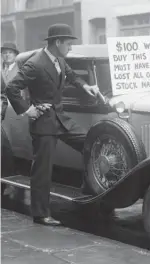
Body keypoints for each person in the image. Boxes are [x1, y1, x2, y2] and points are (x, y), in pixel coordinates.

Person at [6, 24, 100, 226]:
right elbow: (12, 87)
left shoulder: (59, 59)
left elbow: (72, 77)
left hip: (61, 119)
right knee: (42, 170)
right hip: (43, 123)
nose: (70, 48)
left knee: (91, 144)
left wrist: (87, 86)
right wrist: (27, 110)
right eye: (68, 43)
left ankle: (88, 190)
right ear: (57, 43)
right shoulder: (35, 64)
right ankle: (41, 215)